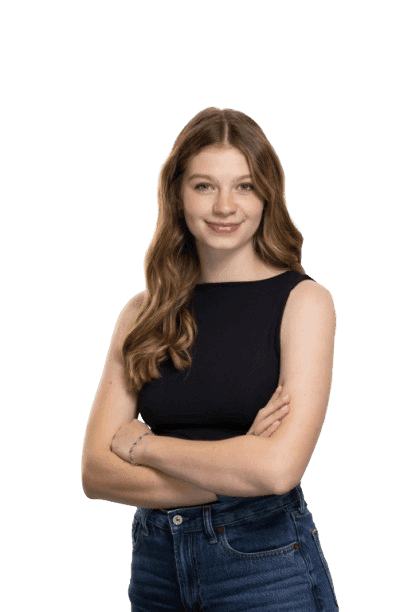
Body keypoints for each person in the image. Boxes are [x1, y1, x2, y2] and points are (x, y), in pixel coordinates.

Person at [81, 106, 339, 611]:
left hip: (263, 562)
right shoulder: (143, 311)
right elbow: (95, 471)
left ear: (268, 194)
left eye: (243, 185)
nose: (225, 205)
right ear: (177, 195)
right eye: (204, 186)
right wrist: (233, 463)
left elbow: (276, 471)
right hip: (157, 564)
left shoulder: (304, 302)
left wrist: (145, 447)